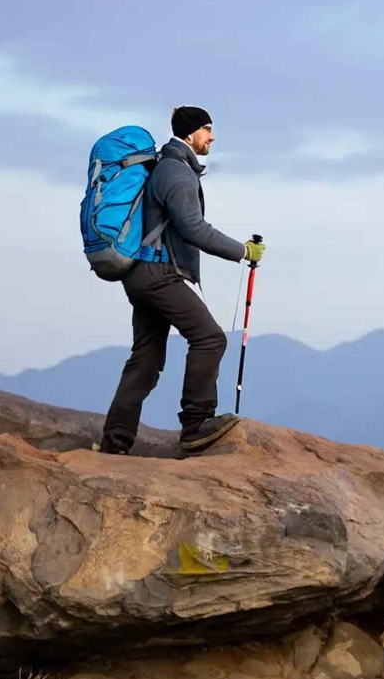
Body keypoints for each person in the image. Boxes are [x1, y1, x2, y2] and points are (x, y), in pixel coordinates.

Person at [99, 106, 265, 456]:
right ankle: (195, 426)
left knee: (146, 357)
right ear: (190, 133)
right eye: (207, 129)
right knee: (210, 339)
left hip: (139, 274)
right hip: (158, 274)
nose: (212, 136)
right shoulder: (176, 171)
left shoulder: (166, 165)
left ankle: (115, 441)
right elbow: (193, 228)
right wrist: (243, 252)